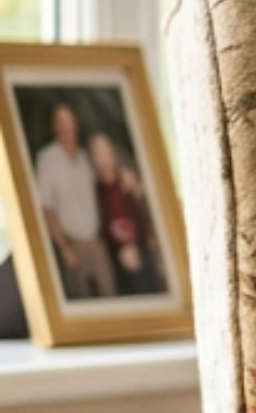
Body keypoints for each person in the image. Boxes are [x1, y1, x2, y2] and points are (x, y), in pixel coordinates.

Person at [33, 102, 113, 301]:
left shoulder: (86, 156)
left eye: (69, 121)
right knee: (82, 299)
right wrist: (65, 248)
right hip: (73, 244)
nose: (67, 126)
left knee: (109, 294)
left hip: (96, 242)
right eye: (61, 122)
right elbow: (47, 208)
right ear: (54, 125)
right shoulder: (47, 159)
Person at [89, 132, 163, 296]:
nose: (102, 157)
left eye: (104, 151)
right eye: (97, 153)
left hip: (143, 246)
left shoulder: (129, 181)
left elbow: (147, 213)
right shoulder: (96, 192)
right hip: (117, 255)